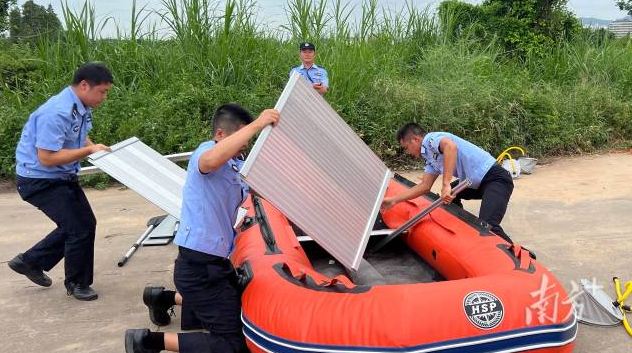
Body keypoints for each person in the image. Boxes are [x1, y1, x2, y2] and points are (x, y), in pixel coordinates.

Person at [124, 103, 280, 353]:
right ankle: (146, 342)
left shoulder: (234, 164)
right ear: (220, 135)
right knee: (233, 344)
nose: (244, 146)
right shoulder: (206, 152)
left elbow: (260, 185)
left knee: (237, 308)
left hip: (214, 264)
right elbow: (209, 161)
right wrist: (258, 124)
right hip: (199, 268)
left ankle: (161, 298)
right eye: (242, 138)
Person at [8, 63, 113, 301]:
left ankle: (30, 261)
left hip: (61, 176)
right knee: (80, 228)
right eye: (102, 92)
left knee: (83, 224)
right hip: (39, 181)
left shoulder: (80, 106)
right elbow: (46, 158)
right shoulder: (56, 112)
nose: (104, 97)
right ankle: (77, 283)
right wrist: (89, 152)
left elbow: (78, 135)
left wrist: (93, 147)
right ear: (85, 85)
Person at [382, 123, 514, 243]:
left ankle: (525, 258)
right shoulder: (429, 158)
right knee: (447, 198)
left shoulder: (431, 140)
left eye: (407, 147)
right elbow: (424, 186)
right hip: (475, 183)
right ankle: (461, 232)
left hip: (495, 179)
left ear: (415, 139)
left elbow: (450, 147)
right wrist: (394, 200)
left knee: (488, 227)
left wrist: (446, 184)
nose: (408, 152)